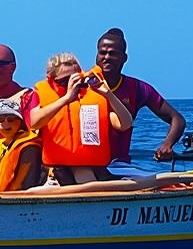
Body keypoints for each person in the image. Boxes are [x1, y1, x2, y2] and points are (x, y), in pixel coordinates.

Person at [23, 52, 133, 185]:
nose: (71, 85)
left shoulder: (93, 98)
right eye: (64, 81)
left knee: (85, 174)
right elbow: (34, 123)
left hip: (91, 166)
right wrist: (66, 99)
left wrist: (108, 94)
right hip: (57, 168)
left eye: (75, 80)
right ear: (51, 79)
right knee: (81, 176)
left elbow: (125, 124)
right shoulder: (40, 95)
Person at [94, 28, 186, 176]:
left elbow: (177, 119)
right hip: (85, 165)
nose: (106, 57)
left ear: (124, 58)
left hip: (119, 165)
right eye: (102, 52)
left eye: (113, 53)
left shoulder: (138, 88)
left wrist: (167, 144)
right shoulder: (82, 85)